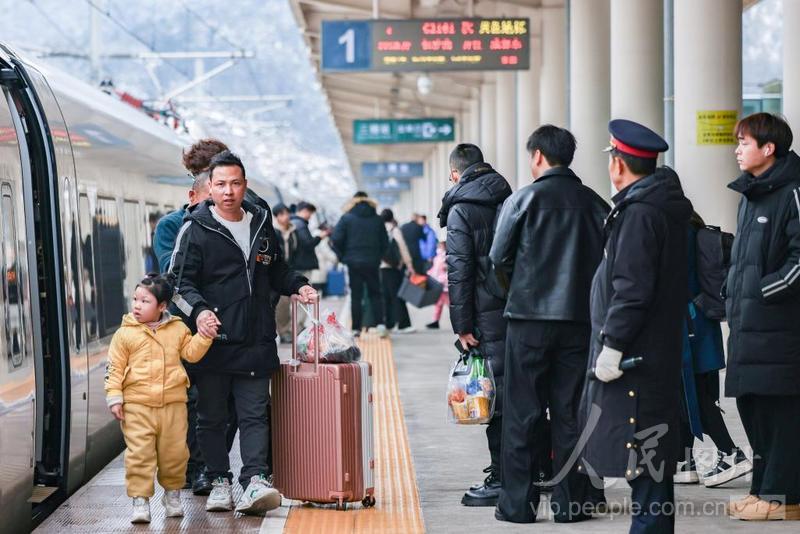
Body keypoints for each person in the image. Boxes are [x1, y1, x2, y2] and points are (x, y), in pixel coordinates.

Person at [170, 150, 316, 515]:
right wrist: (200, 312)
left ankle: (254, 481)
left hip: (255, 339)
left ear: (245, 185)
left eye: (235, 183)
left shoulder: (260, 224)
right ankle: (219, 479)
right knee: (212, 418)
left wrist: (298, 286)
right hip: (214, 344)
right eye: (220, 184)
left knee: (254, 414)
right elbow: (178, 284)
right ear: (209, 188)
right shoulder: (196, 229)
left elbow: (278, 270)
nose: (228, 191)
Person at [488, 127, 609, 523]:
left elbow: (498, 259)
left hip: (528, 321)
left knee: (523, 412)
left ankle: (517, 506)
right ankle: (570, 504)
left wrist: (518, 294)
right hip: (579, 322)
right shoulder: (595, 204)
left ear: (538, 156)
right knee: (571, 412)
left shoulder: (522, 200)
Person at [578, 120, 692, 534]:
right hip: (653, 353)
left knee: (643, 459)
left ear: (618, 163)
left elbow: (632, 288)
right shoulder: (659, 206)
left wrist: (613, 345)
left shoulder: (640, 213)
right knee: (649, 460)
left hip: (635, 361)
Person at [724, 113, 800, 521]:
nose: (737, 149)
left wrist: (764, 291)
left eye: (744, 142)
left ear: (768, 148)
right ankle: (763, 488)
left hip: (780, 327)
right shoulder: (752, 195)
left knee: (780, 412)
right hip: (748, 323)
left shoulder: (793, 191)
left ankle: (784, 497)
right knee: (753, 408)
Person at [104, 273, 215, 524]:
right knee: (139, 454)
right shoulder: (125, 334)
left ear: (162, 306)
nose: (137, 305)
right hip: (137, 405)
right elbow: (114, 368)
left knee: (175, 453)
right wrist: (115, 396)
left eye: (145, 301)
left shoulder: (177, 328)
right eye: (135, 299)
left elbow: (191, 353)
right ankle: (140, 500)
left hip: (173, 405)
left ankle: (172, 496)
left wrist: (204, 336)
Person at [438, 143, 512, 507]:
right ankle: (531, 469)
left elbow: (460, 270)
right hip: (516, 309)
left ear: (455, 173)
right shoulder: (509, 197)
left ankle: (502, 476)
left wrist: (462, 324)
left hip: (483, 313)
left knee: (494, 394)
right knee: (518, 390)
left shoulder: (461, 209)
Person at [153, 138, 226, 496]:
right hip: (186, 328)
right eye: (206, 178)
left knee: (228, 403)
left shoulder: (248, 217)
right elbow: (174, 275)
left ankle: (213, 468)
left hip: (231, 326)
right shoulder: (173, 225)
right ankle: (198, 469)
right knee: (194, 400)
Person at [675, 212, 752, 488]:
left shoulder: (674, 229)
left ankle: (730, 453)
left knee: (691, 392)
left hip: (686, 324)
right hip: (702, 321)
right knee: (693, 391)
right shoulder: (693, 226)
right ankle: (685, 461)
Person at [330, 192, 388, 336]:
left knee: (356, 296)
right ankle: (380, 326)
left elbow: (335, 239)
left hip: (353, 262)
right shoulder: (377, 219)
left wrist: (343, 256)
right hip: (372, 262)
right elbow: (385, 242)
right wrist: (378, 256)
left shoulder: (346, 218)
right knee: (376, 294)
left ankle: (356, 329)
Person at [380, 208, 416, 333]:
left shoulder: (377, 229)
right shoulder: (394, 230)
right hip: (393, 267)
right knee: (398, 296)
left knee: (385, 296)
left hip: (380, 268)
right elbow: (402, 248)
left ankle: (388, 323)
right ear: (391, 217)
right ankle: (403, 324)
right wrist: (409, 265)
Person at [273, 203, 298, 344]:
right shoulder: (272, 231)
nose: (286, 217)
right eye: (282, 214)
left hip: (289, 270)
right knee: (281, 304)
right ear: (276, 217)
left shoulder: (292, 231)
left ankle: (286, 330)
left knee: (287, 302)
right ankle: (283, 331)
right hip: (277, 271)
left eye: (287, 214)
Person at [290, 201, 330, 278]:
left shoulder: (293, 222)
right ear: (304, 211)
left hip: (296, 263)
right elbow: (308, 244)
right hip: (302, 264)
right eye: (310, 213)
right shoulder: (300, 224)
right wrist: (320, 237)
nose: (310, 217)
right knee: (303, 286)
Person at [426, 241, 448, 329]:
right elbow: (435, 269)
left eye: (442, 244)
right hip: (438, 283)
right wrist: (429, 274)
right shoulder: (438, 255)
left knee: (450, 304)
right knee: (438, 304)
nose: (440, 245)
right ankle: (435, 321)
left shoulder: (447, 256)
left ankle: (460, 321)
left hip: (445, 284)